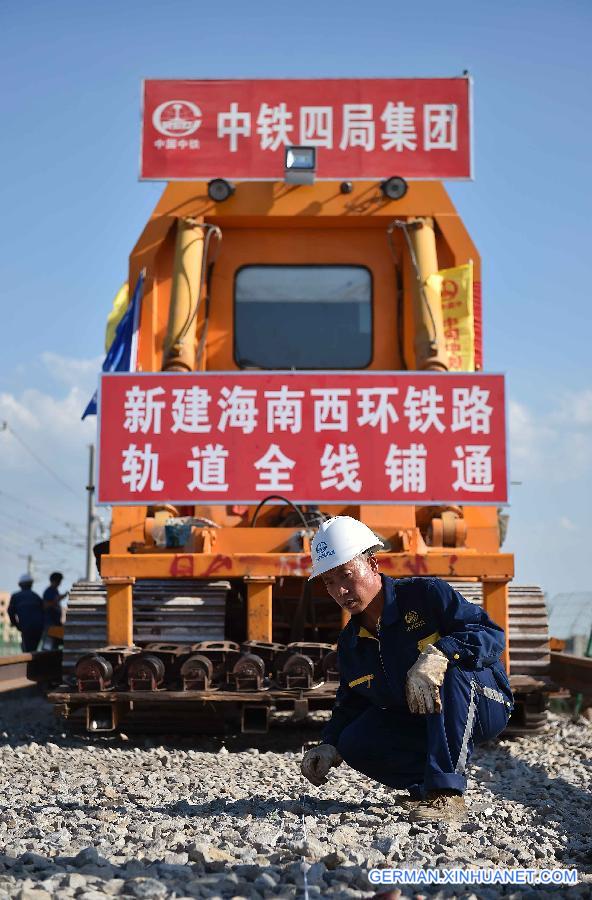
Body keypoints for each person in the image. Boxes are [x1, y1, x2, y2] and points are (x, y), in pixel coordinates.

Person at [301, 516, 513, 823]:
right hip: (424, 719)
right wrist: (329, 743)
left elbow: (490, 634)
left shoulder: (426, 596)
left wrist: (441, 653)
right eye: (329, 582)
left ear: (373, 564)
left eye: (347, 575)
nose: (341, 590)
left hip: (486, 701)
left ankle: (447, 795)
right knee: (353, 741)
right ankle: (424, 787)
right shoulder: (351, 643)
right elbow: (352, 701)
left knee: (449, 672)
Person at [7, 574, 44, 652]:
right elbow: (44, 612)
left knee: (27, 651)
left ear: (20, 585)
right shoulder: (36, 596)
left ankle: (29, 663)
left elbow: (11, 612)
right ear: (31, 584)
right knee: (33, 650)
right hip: (38, 628)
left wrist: (16, 625)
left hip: (25, 628)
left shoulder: (16, 596)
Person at [41, 571, 67, 649]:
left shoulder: (55, 591)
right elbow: (46, 605)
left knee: (54, 646)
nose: (60, 583)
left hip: (55, 624)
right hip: (50, 624)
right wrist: (58, 599)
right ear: (55, 581)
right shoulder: (49, 591)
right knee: (48, 647)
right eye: (59, 581)